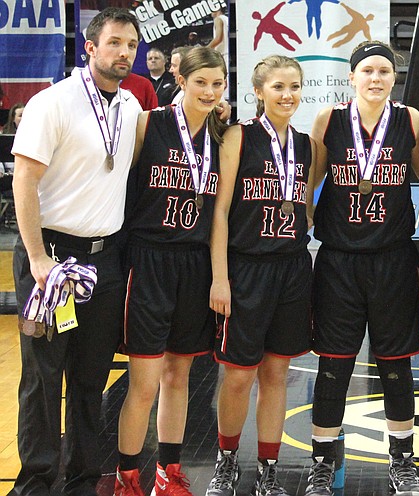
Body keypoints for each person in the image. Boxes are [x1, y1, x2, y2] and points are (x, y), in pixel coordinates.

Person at [10, 7, 142, 496]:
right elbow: (24, 179)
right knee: (44, 379)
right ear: (90, 48)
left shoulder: (129, 108)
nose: (124, 52)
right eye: (114, 43)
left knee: (91, 379)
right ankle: (37, 482)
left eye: (130, 45)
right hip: (51, 259)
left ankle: (84, 479)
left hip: (105, 261)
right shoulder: (55, 102)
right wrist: (38, 258)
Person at [305, 40, 419, 496]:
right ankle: (322, 464)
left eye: (384, 71)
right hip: (339, 260)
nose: (376, 78)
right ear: (351, 77)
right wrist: (305, 227)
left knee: (396, 365)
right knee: (334, 366)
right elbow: (307, 183)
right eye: (368, 71)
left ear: (393, 78)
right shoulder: (330, 120)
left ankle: (403, 462)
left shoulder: (409, 119)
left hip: (393, 258)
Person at [114, 46, 227, 496]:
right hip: (150, 259)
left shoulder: (222, 137)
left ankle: (169, 471)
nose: (210, 90)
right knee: (144, 381)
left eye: (218, 83)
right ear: (181, 81)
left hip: (195, 263)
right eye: (201, 81)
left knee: (179, 376)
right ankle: (127, 477)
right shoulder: (149, 123)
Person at [205, 55, 316, 496]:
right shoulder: (238, 136)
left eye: (294, 86)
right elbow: (220, 211)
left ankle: (269, 467)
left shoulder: (306, 144)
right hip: (246, 267)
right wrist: (220, 277)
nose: (287, 94)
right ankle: (226, 459)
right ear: (259, 91)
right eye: (278, 87)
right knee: (238, 374)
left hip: (291, 267)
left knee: (277, 373)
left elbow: (304, 204)